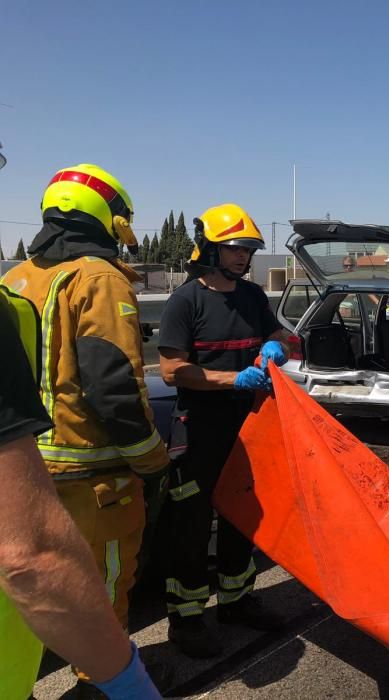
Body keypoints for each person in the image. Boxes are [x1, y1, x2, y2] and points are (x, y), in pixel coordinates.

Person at [1, 164, 169, 694]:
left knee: (32, 608)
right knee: (104, 590)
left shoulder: (17, 277)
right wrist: (153, 461)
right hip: (93, 482)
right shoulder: (99, 278)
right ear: (112, 218)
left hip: (23, 474)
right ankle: (100, 685)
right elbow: (114, 384)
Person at [158, 203, 291, 658]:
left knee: (243, 516)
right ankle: (187, 619)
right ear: (210, 249)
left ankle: (236, 601)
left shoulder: (253, 296)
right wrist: (231, 380)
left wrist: (279, 345)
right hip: (200, 430)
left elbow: (287, 337)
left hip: (249, 430)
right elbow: (172, 370)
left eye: (249, 249)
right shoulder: (185, 301)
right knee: (192, 526)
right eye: (235, 248)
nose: (243, 256)